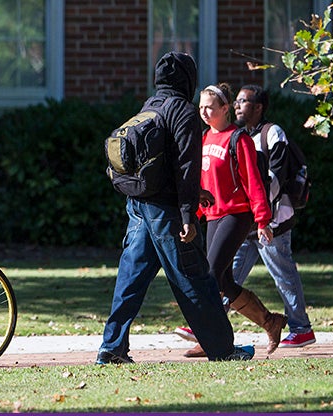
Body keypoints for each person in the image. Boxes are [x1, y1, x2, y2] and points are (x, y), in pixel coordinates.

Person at [96, 52, 254, 365]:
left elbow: (164, 165)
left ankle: (111, 348)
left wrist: (197, 193)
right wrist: (187, 215)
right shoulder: (183, 110)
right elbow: (186, 166)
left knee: (130, 278)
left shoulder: (150, 105)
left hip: (139, 206)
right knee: (195, 278)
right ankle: (222, 349)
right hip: (168, 213)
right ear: (188, 79)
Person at [177, 83, 287, 358]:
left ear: (225, 109)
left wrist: (262, 220)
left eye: (210, 107)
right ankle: (270, 321)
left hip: (236, 214)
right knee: (224, 281)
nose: (203, 112)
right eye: (200, 107)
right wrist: (192, 217)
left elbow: (253, 183)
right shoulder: (204, 138)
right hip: (214, 215)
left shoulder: (239, 138)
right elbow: (204, 185)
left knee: (210, 276)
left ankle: (210, 339)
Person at [231, 84, 315, 347]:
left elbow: (275, 179)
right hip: (247, 220)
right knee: (228, 273)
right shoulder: (238, 134)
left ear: (258, 107)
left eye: (242, 102)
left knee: (283, 274)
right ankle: (206, 324)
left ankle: (301, 329)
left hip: (271, 222)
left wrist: (260, 213)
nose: (236, 105)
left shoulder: (272, 133)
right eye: (236, 101)